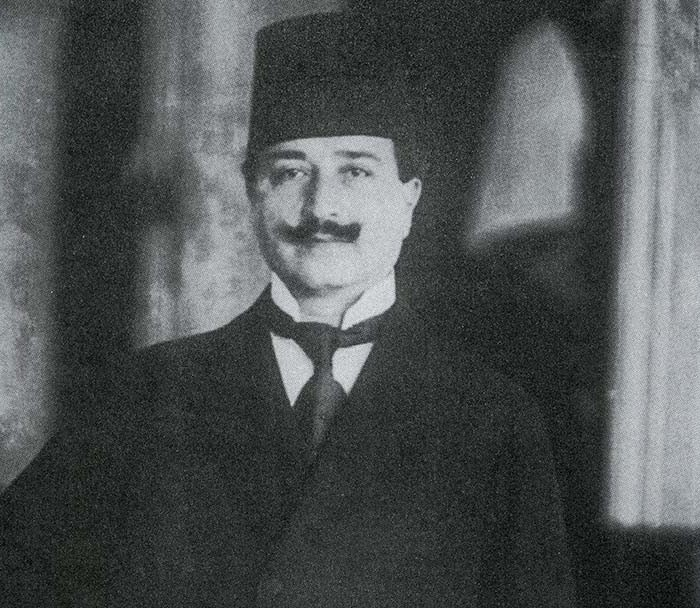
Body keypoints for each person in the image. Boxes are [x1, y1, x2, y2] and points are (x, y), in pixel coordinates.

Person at [0, 11, 574, 607]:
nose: (322, 208)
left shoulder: (493, 422)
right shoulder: (144, 398)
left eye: (355, 170)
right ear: (254, 194)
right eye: (291, 171)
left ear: (409, 199)